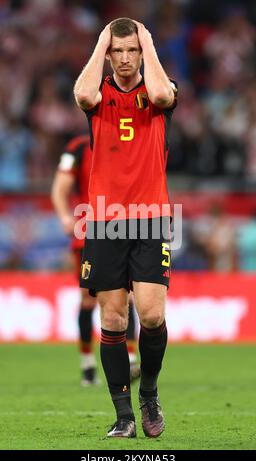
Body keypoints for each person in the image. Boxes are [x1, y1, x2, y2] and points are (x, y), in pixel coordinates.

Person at [74, 18, 177, 438]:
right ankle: (124, 417)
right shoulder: (99, 95)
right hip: (103, 218)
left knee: (151, 315)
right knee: (114, 320)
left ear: (141, 50)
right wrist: (101, 42)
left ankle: (148, 392)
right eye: (118, 51)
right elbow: (82, 93)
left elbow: (158, 93)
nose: (125, 58)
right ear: (108, 53)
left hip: (152, 216)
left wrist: (147, 40)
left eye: (131, 50)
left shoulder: (161, 88)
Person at [51, 134, 140, 386]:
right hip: (89, 231)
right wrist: (65, 217)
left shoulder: (132, 140)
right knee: (88, 300)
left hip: (126, 226)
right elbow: (60, 186)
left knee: (129, 294)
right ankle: (88, 365)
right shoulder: (78, 146)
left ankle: (131, 359)